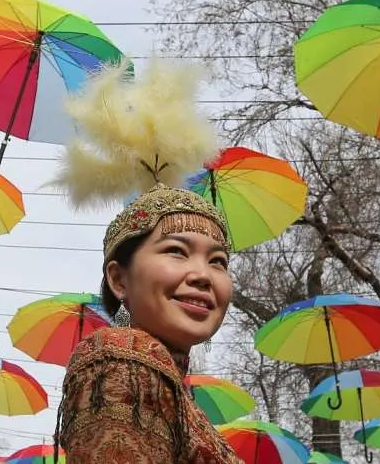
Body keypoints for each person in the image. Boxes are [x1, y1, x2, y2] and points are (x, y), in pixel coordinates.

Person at [51, 61, 243, 463]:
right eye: (176, 251)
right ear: (119, 280)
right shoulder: (125, 357)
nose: (203, 276)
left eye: (219, 261)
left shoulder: (168, 380)